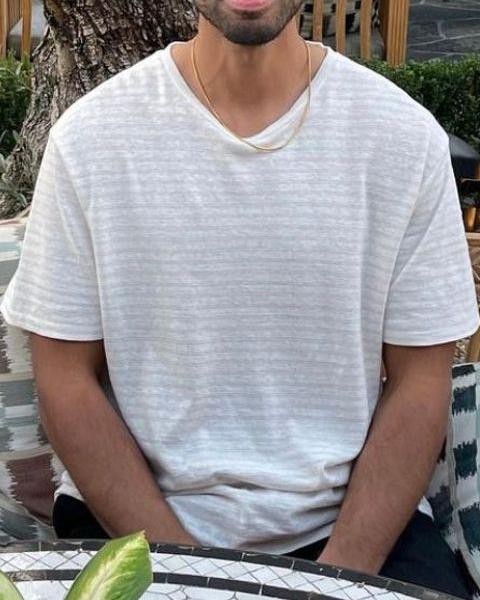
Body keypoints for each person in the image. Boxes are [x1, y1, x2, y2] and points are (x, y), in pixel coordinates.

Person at [1, 0, 479, 597]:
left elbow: (419, 383)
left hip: (353, 532)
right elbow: (65, 380)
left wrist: (334, 581)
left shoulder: (403, 138)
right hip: (134, 529)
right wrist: (193, 577)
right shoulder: (91, 139)